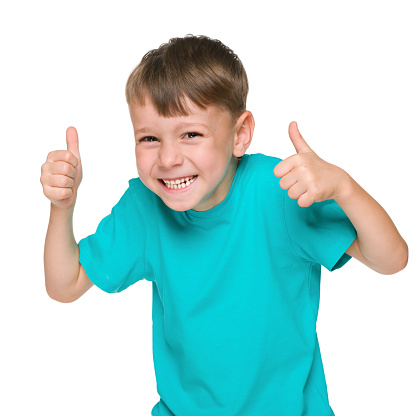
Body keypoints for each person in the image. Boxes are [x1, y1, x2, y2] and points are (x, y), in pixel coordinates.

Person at [40, 35, 408, 416]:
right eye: (149, 137)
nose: (168, 158)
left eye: (191, 134)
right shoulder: (145, 207)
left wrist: (345, 187)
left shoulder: (280, 190)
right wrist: (62, 207)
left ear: (239, 135)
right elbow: (65, 285)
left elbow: (392, 258)